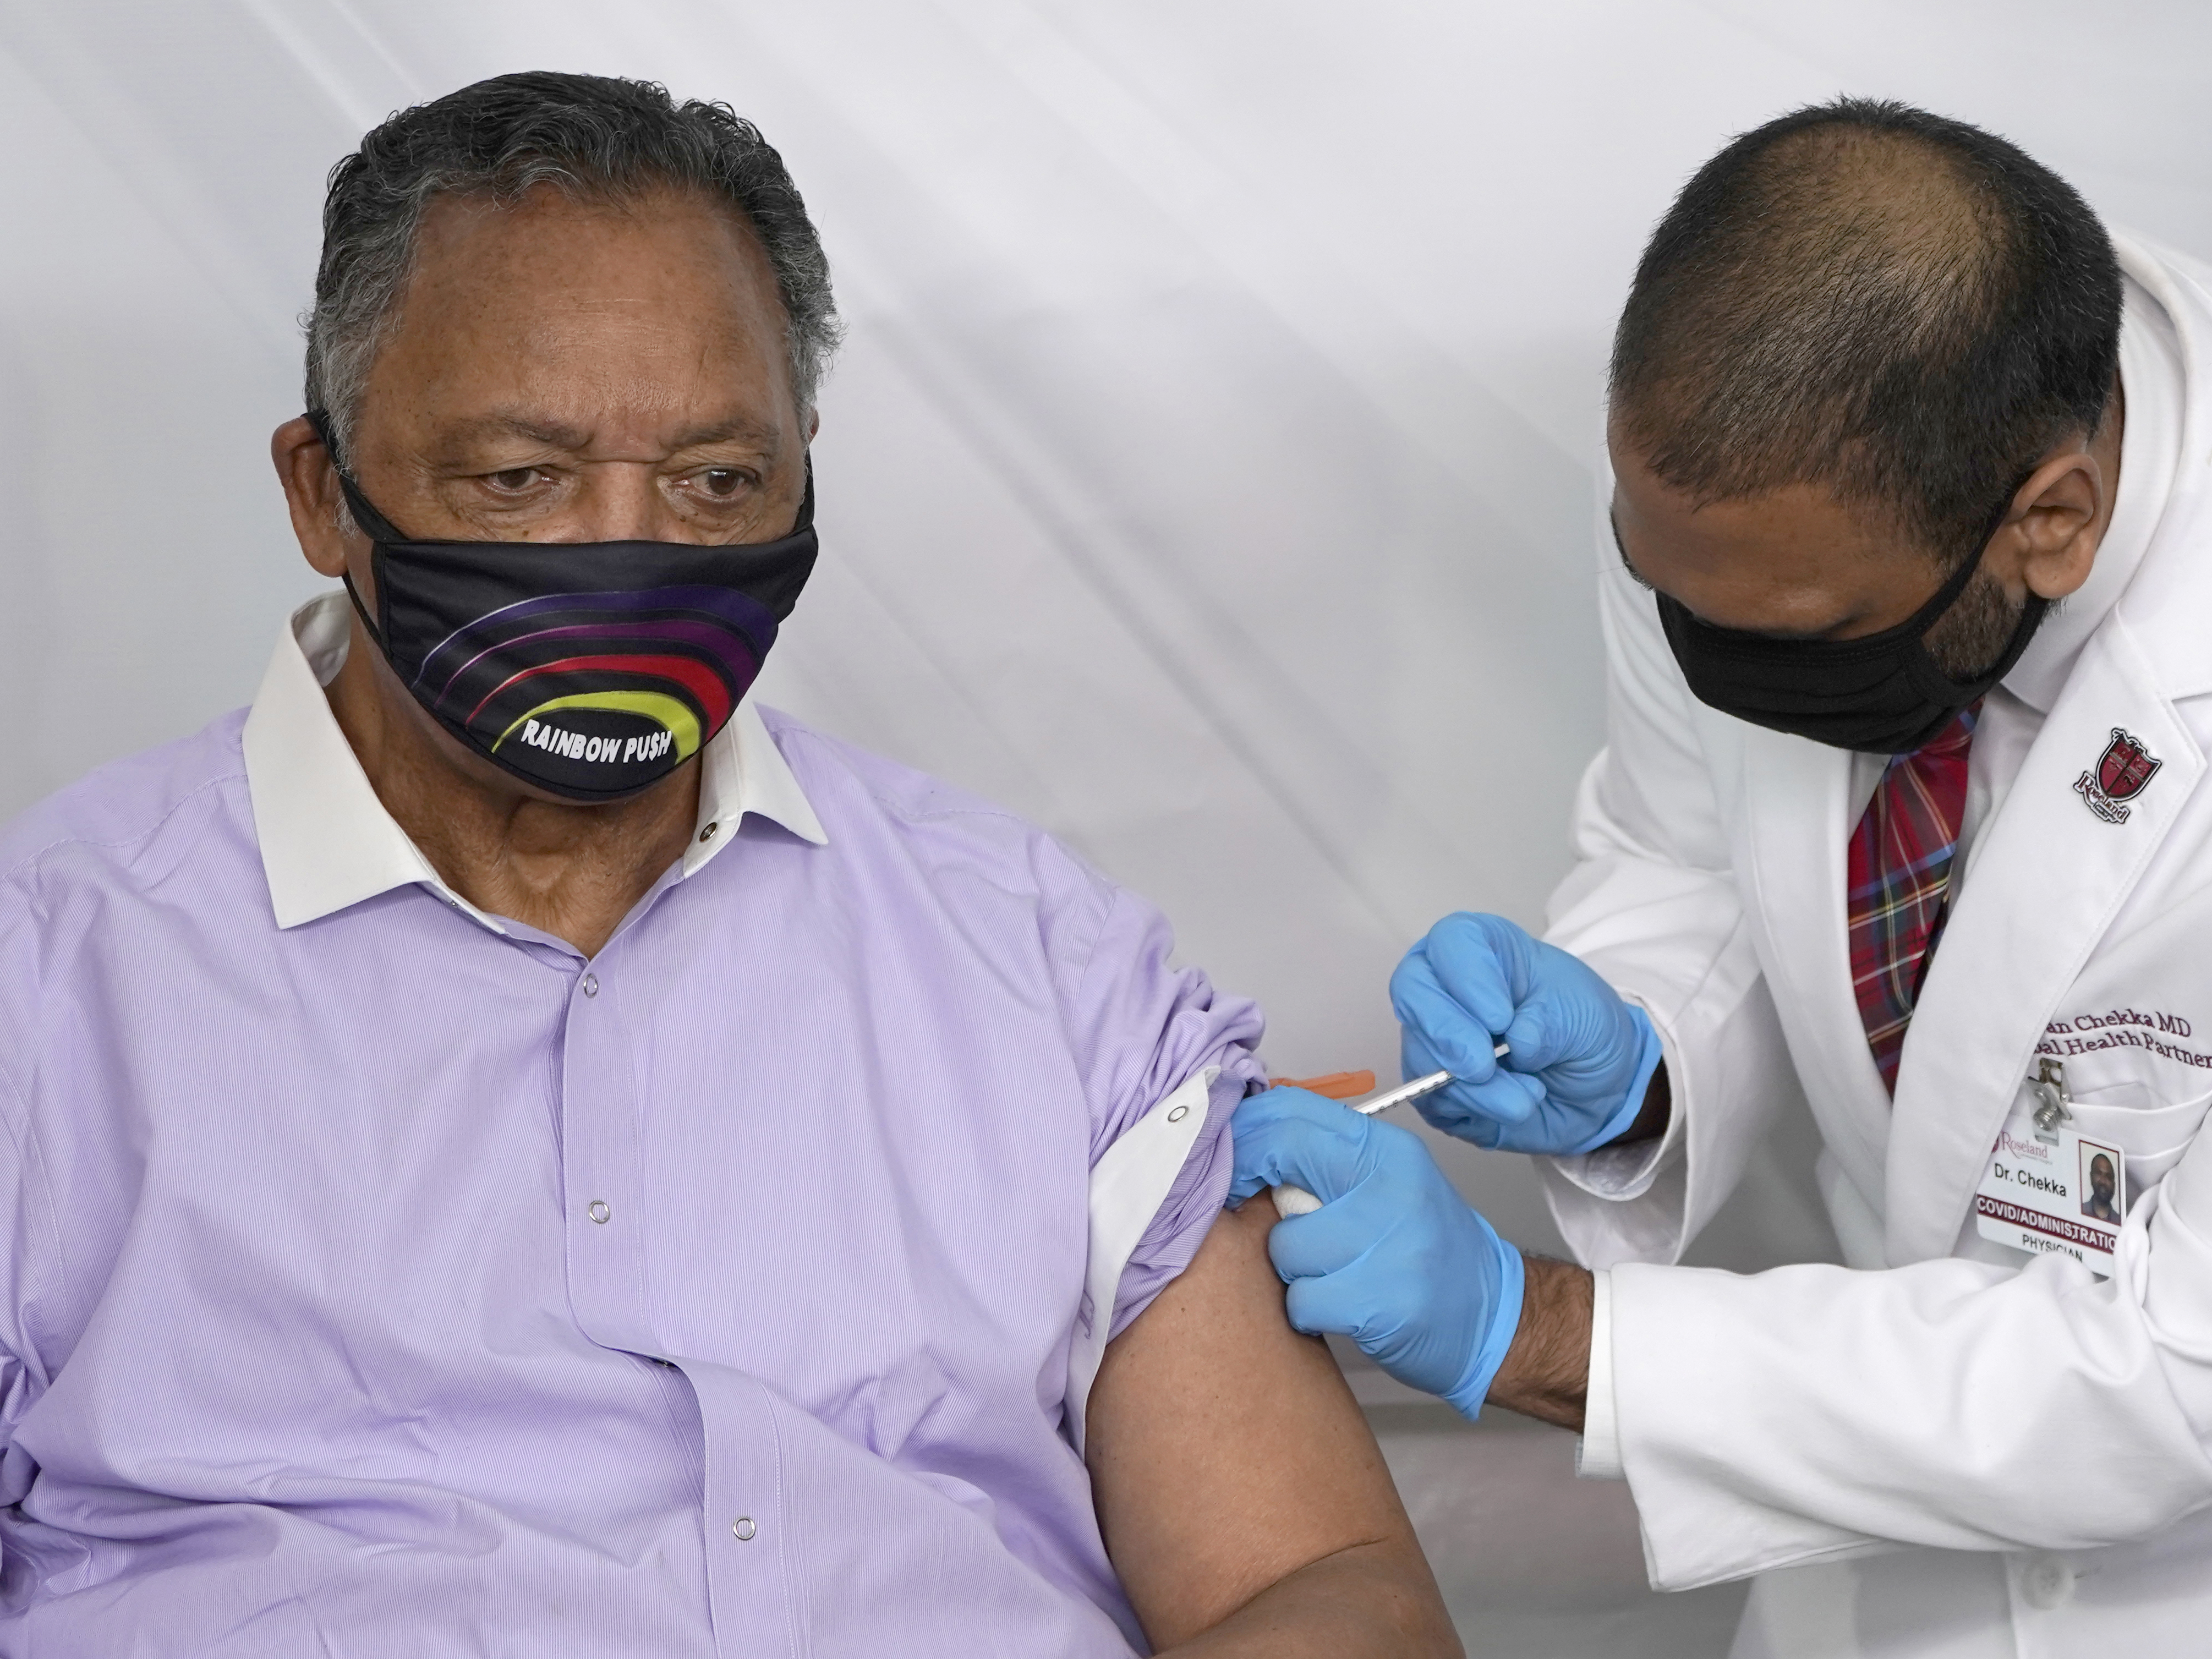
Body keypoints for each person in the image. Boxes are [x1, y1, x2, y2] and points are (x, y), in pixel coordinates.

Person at [0, 72, 1457, 1656]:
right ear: (319, 489)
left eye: (716, 482)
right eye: (519, 479)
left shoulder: (1040, 960)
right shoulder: (47, 980)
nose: (632, 558)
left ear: (803, 473)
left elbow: (1320, 1585)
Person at [1231, 97, 2212, 1657]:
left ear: (2050, 518)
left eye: (1798, 639)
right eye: (1662, 585)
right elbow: (1691, 845)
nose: (1715, 664)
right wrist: (1634, 1059)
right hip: (1874, 1577)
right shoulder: (1743, 505)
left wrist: (1537, 1322)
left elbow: (2168, 1373)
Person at [2084, 1152, 2123, 1223]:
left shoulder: (2121, 1223)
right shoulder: (2078, 1211)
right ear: (2091, 1177)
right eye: (2099, 1173)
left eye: (2108, 1177)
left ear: (2114, 1185)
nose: (2103, 1181)